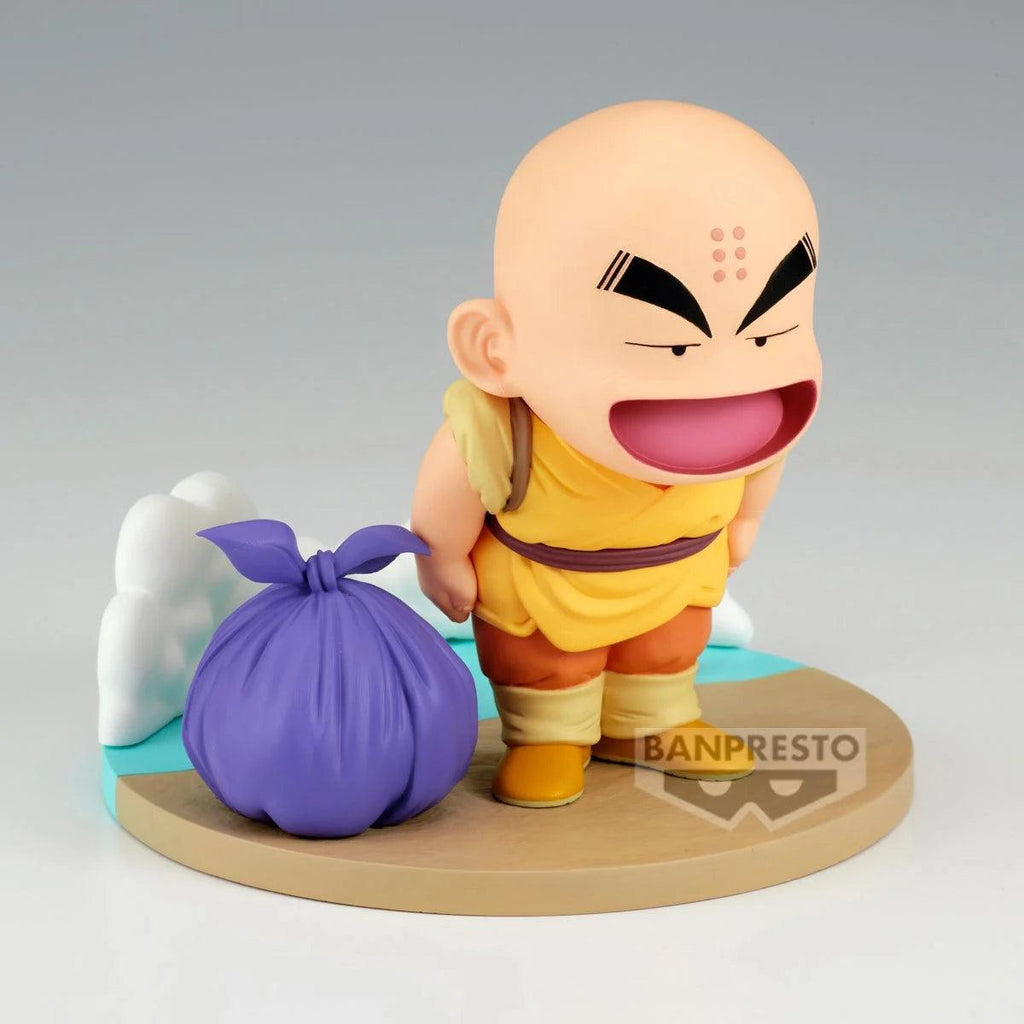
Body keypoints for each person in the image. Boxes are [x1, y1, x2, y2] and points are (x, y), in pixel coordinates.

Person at [412, 101, 822, 808]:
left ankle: (651, 724)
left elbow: (761, 464)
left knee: (666, 652)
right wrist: (442, 558)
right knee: (547, 665)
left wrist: (747, 517)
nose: (724, 382)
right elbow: (449, 491)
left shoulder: (755, 417)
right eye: (673, 345)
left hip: (680, 570)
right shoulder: (502, 426)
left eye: (765, 335)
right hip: (546, 582)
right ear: (494, 348)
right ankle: (548, 738)